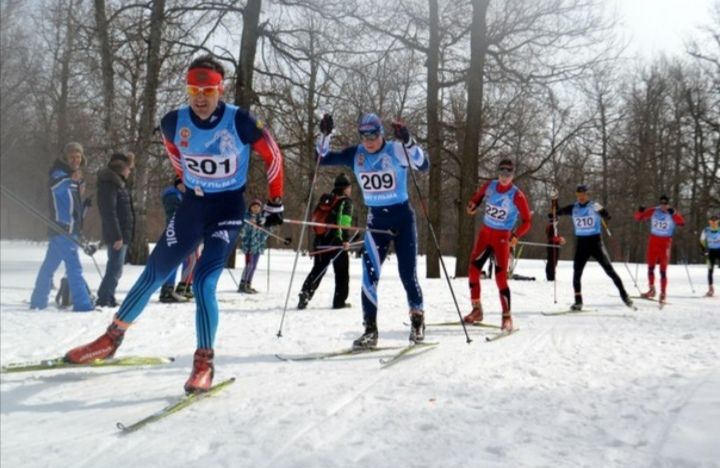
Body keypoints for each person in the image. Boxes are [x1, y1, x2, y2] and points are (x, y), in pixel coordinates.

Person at [63, 54, 285, 394]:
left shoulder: (239, 121)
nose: (200, 97)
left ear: (219, 89)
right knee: (154, 271)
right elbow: (175, 155)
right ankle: (111, 339)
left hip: (227, 209)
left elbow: (273, 155)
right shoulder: (172, 122)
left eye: (207, 90)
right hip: (193, 208)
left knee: (204, 282)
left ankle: (204, 362)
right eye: (193, 89)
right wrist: (185, 180)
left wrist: (276, 200)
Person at [315, 113, 427, 349]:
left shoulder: (396, 150)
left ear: (381, 133)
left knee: (408, 274)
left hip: (403, 219)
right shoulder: (357, 155)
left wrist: (408, 141)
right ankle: (370, 330)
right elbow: (321, 159)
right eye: (364, 135)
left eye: (373, 134)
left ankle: (417, 320)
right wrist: (324, 135)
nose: (369, 140)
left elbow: (423, 165)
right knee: (369, 275)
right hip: (377, 223)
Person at [462, 159, 532, 331]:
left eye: (508, 174)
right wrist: (471, 206)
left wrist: (516, 235)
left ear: (512, 175)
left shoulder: (517, 195)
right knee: (473, 270)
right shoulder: (490, 186)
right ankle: (477, 309)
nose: (504, 178)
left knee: (500, 277)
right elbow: (476, 199)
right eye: (501, 173)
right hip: (485, 235)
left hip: (502, 238)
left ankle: (507, 316)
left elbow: (527, 221)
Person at [29, 142, 95, 312]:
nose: (76, 159)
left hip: (70, 230)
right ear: (65, 157)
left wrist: (85, 205)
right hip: (62, 229)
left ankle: (38, 301)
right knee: (74, 268)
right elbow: (56, 188)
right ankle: (83, 305)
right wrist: (70, 180)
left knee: (49, 267)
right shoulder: (59, 173)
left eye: (78, 156)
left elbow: (74, 207)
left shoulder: (76, 178)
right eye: (72, 156)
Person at [552, 184, 633, 310]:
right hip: (581, 244)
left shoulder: (594, 205)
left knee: (609, 270)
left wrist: (603, 214)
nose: (581, 197)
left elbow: (607, 215)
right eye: (578, 195)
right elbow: (556, 211)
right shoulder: (573, 207)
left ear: (588, 195)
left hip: (595, 243)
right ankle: (578, 301)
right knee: (577, 272)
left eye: (583, 195)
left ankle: (625, 295)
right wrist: (554, 200)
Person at [297, 173, 354, 309]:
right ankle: (339, 302)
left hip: (320, 240)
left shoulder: (326, 199)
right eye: (349, 187)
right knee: (341, 273)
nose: (350, 190)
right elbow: (344, 222)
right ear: (345, 188)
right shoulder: (345, 201)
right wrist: (345, 240)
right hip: (336, 242)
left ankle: (305, 292)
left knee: (318, 269)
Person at [95, 153, 136, 307]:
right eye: (128, 168)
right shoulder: (110, 185)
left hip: (122, 233)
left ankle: (108, 295)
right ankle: (104, 297)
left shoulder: (119, 184)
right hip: (117, 235)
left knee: (116, 268)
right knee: (115, 267)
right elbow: (109, 212)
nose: (129, 172)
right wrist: (117, 235)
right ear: (122, 168)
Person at [633, 195, 686, 304]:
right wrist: (640, 211)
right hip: (653, 241)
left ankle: (663, 293)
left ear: (668, 204)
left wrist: (674, 214)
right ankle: (652, 289)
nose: (663, 206)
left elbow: (681, 223)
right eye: (661, 204)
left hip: (665, 243)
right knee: (650, 267)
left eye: (665, 204)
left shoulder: (671, 212)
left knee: (663, 269)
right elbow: (638, 218)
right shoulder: (654, 211)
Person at [159, 177, 195, 303]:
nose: (185, 187)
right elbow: (175, 216)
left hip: (182, 232)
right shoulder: (173, 196)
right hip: (176, 233)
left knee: (178, 261)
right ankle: (167, 290)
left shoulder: (182, 196)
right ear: (178, 184)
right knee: (173, 261)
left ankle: (170, 289)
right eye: (183, 184)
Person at [237, 198, 269, 294]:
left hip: (258, 247)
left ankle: (249, 283)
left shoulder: (261, 219)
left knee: (254, 266)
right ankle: (243, 284)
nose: (256, 209)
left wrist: (264, 226)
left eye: (258, 207)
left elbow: (266, 233)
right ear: (250, 207)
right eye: (254, 207)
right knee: (249, 265)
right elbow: (242, 233)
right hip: (249, 246)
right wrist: (249, 224)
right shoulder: (246, 217)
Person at [700, 214, 720, 297]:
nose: (714, 223)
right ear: (709, 222)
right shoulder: (706, 230)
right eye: (712, 221)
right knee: (710, 270)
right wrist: (704, 249)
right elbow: (701, 240)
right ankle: (710, 289)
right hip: (710, 252)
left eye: (715, 221)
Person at [545, 214, 565, 281]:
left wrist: (559, 239)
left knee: (553, 262)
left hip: (555, 247)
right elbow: (552, 238)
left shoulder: (553, 227)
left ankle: (551, 276)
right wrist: (560, 239)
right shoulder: (551, 227)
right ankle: (551, 278)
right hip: (552, 247)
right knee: (552, 262)